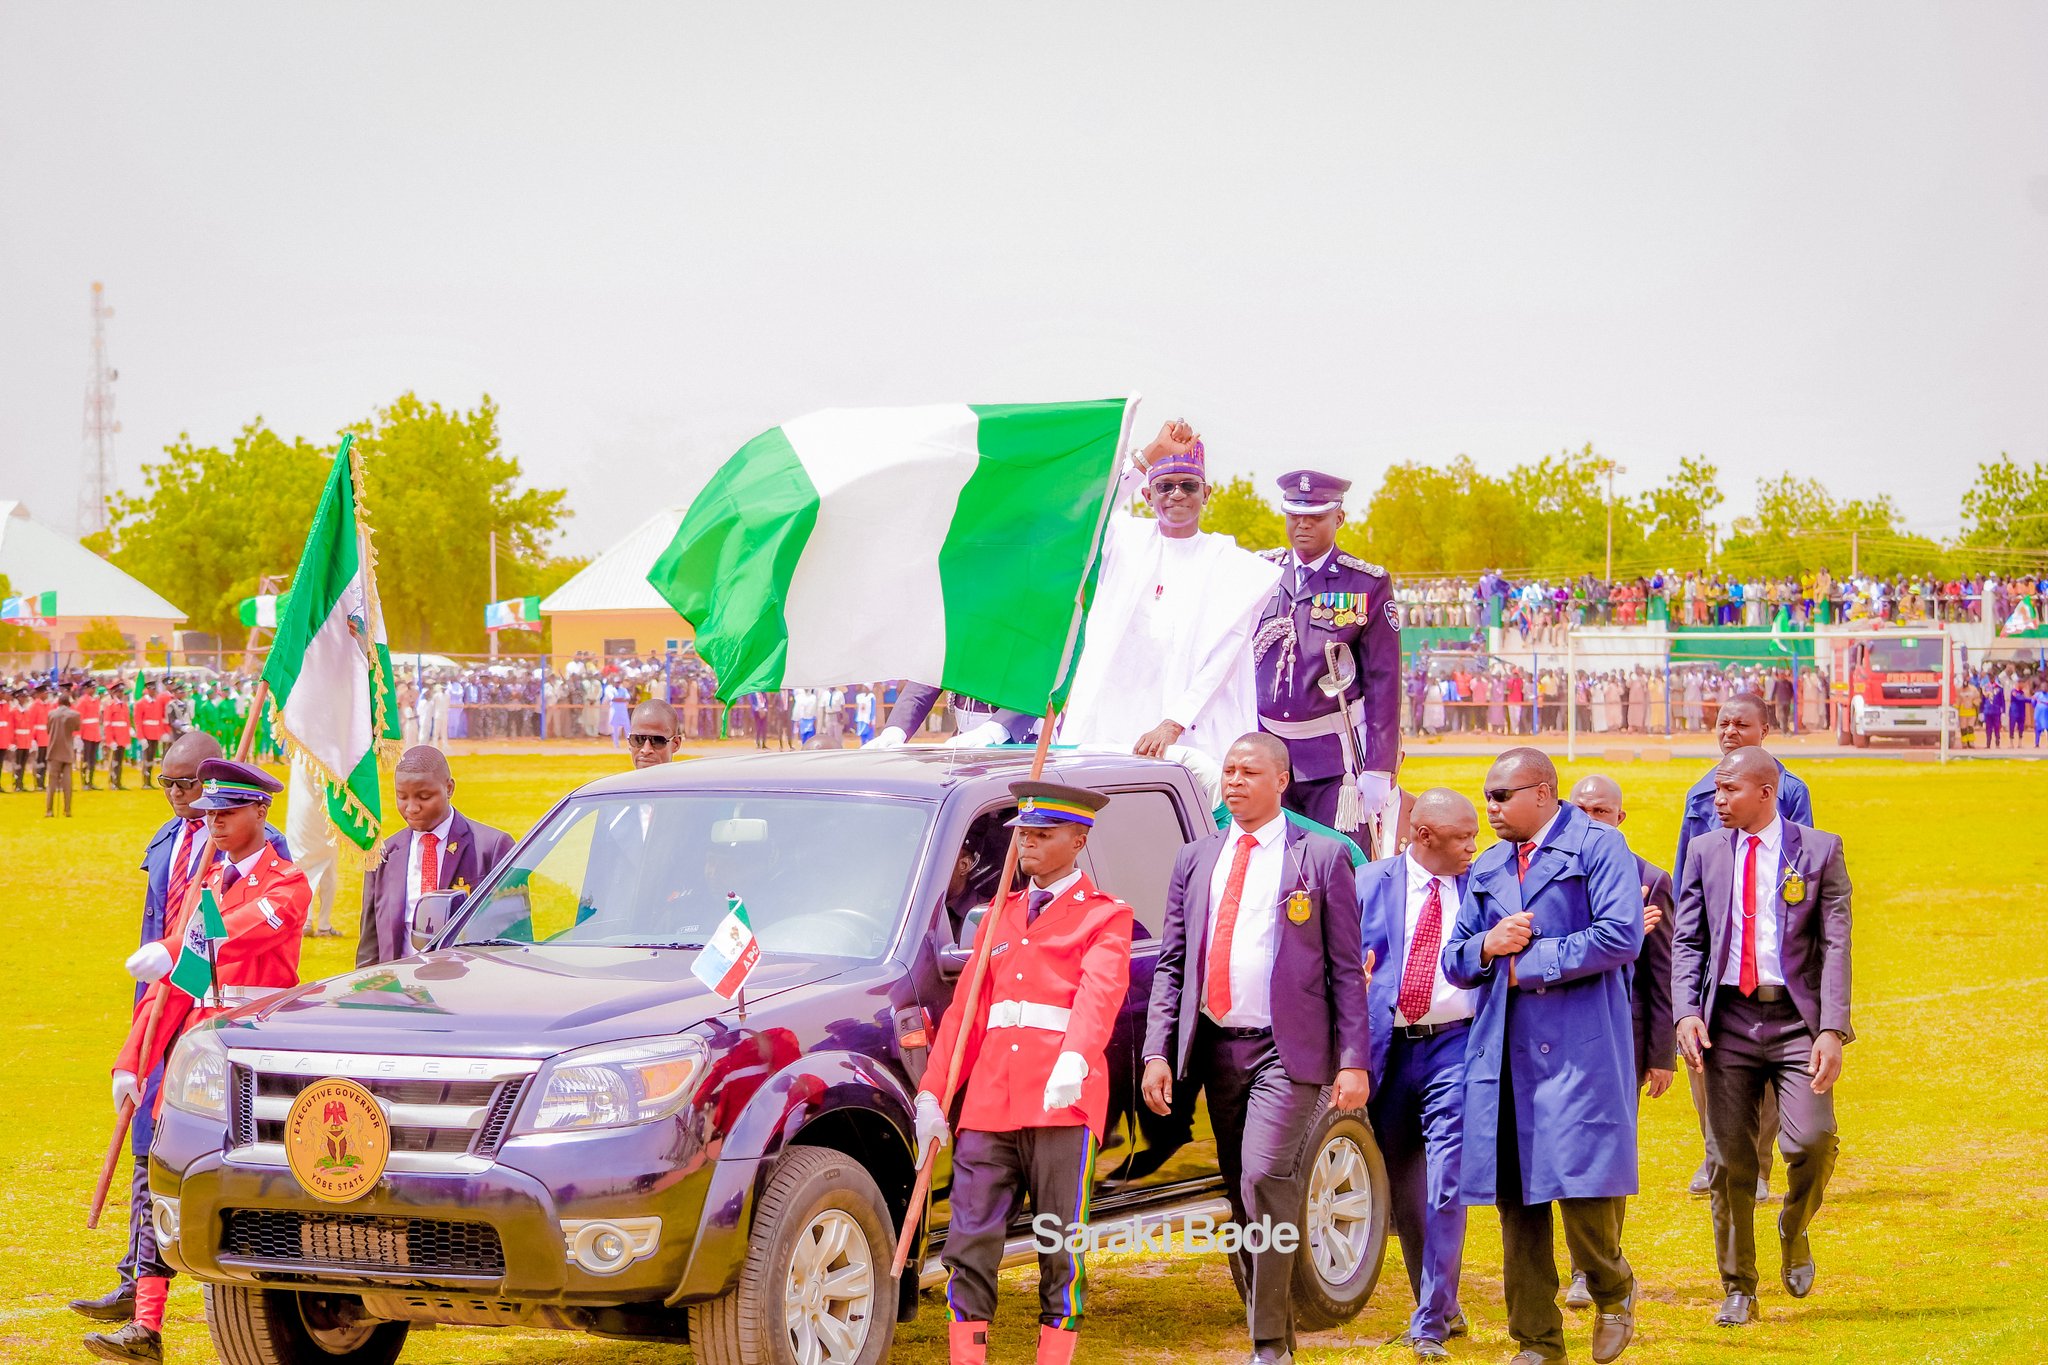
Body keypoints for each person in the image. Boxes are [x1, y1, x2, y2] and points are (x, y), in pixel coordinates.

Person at [1142, 732, 1371, 1365]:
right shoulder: (1196, 858)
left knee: (1266, 1176)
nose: (1235, 781)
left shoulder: (1320, 859)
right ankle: (1271, 1325)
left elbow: (1346, 970)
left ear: (1281, 780)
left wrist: (1353, 1061)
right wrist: (1158, 1052)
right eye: (1229, 771)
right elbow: (1172, 964)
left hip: (1286, 1050)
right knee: (1242, 1194)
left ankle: (1270, 1346)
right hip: (1217, 1049)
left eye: (1249, 771)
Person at [68, 731, 291, 1332]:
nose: (211, 822)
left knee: (256, 1190)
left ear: (260, 812)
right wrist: (131, 1063)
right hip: (200, 1058)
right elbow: (185, 983)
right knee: (159, 1168)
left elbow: (250, 928)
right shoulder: (211, 888)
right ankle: (146, 1324)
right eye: (208, 811)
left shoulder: (283, 881)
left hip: (255, 1063)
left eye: (226, 812)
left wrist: (173, 946)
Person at [915, 781, 1131, 1365]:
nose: (1028, 843)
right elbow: (966, 1015)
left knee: (1060, 1244)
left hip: (1062, 1100)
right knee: (969, 1241)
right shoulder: (1000, 916)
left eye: (1043, 834)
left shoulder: (1106, 917)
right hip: (989, 1100)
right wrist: (934, 1094)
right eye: (1024, 834)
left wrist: (1075, 1058)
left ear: (1079, 839)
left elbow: (1100, 996)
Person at [1443, 748, 1642, 1365]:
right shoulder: (1490, 865)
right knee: (1517, 1204)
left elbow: (1621, 935)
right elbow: (1455, 959)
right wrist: (1485, 946)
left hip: (1579, 1047)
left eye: (1503, 796)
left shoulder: (1598, 847)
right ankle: (1536, 1340)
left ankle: (1612, 1291)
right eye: (1487, 798)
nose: (1492, 809)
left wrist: (1529, 963)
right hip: (1504, 1054)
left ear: (1544, 793)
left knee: (1584, 1191)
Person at [1673, 747, 1853, 1329]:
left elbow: (1836, 946)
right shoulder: (1704, 852)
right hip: (1726, 1025)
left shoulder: (1820, 851)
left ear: (1766, 792)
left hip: (1797, 1024)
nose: (1716, 800)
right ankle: (1739, 1285)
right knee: (1730, 1163)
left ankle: (1794, 1227)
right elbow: (1688, 942)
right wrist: (1684, 1013)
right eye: (1715, 791)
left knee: (1813, 1143)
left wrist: (1829, 1028)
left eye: (1728, 790)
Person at [1062, 421, 1279, 765]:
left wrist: (1173, 724)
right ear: (1147, 495)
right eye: (1164, 486)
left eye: (1188, 486)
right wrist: (1154, 453)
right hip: (1108, 726)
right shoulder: (1124, 542)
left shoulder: (1228, 563)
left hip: (1189, 734)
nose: (1177, 494)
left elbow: (1222, 659)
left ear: (1206, 494)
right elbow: (1092, 506)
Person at [1675, 692, 1811, 1198]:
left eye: (1742, 724)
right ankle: (1716, 1156)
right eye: (1723, 722)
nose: (1730, 731)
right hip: (1714, 940)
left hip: (1766, 942)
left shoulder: (1791, 790)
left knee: (1770, 1062)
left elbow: (1802, 864)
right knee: (1704, 1050)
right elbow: (1685, 866)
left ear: (1765, 730)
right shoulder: (1699, 794)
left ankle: (1755, 1167)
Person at [1359, 788, 1479, 1360]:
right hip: (1387, 1052)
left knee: (1445, 1183)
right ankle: (1441, 1302)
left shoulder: (1482, 888)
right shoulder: (1367, 884)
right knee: (1405, 1189)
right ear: (1423, 836)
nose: (1472, 849)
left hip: (1454, 1048)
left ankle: (1428, 1321)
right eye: (1462, 838)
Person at [1564, 774, 1676, 1312]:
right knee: (1562, 1151)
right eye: (1581, 808)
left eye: (1601, 811)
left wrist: (1660, 1055)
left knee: (1607, 1155)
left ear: (1620, 819)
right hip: (1558, 1035)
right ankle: (1575, 1262)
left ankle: (1596, 1265)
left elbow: (1662, 976)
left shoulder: (1651, 880)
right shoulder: (1553, 869)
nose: (1589, 818)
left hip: (1621, 1039)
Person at [1252, 469, 1402, 840]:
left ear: (1339, 518)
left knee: (1338, 871)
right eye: (1294, 516)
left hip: (1334, 761)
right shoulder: (1258, 573)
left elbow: (1384, 681)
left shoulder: (1366, 584)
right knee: (1273, 869)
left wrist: (1380, 767)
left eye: (1315, 517)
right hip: (1266, 752)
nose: (1303, 525)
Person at [357, 746, 516, 967]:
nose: (411, 808)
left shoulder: (492, 847)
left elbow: (513, 940)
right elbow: (369, 946)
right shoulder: (384, 854)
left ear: (449, 788)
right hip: (399, 990)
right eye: (402, 797)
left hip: (467, 987)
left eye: (424, 796)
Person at [44, 686, 82, 817]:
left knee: (52, 783)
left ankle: (49, 810)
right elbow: (77, 728)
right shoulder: (75, 714)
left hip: (54, 751)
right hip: (67, 750)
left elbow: (48, 730)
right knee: (67, 783)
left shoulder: (51, 714)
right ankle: (67, 810)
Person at [625, 697, 684, 769]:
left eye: (657, 741)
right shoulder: (619, 780)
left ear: (676, 743)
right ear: (629, 742)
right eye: (638, 740)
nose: (646, 750)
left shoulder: (691, 780)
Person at [133, 680, 167, 787]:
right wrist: (141, 737)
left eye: (154, 689)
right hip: (146, 734)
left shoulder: (157, 702)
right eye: (151, 689)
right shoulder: (141, 703)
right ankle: (145, 782)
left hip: (155, 734)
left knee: (152, 758)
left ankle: (149, 781)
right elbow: (138, 721)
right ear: (147, 690)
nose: (153, 691)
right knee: (146, 759)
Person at [101, 687, 131, 790]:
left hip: (122, 738)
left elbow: (127, 723)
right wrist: (110, 740)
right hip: (114, 738)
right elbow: (107, 724)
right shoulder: (110, 705)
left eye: (122, 691)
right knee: (113, 761)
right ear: (114, 693)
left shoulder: (124, 705)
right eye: (119, 691)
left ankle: (118, 782)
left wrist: (127, 739)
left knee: (119, 761)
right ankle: (112, 782)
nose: (121, 693)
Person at [78, 685, 103, 789]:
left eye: (94, 688)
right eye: (91, 688)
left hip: (95, 734)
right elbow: (80, 719)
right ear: (86, 689)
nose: (93, 690)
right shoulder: (83, 701)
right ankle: (84, 781)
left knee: (93, 759)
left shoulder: (96, 700)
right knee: (86, 759)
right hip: (86, 734)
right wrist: (79, 736)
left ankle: (91, 781)